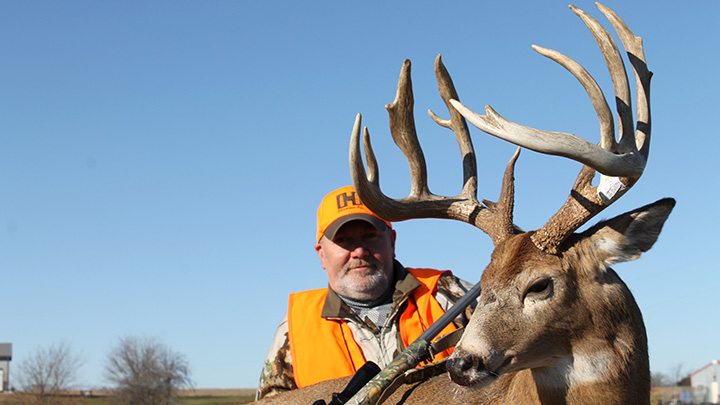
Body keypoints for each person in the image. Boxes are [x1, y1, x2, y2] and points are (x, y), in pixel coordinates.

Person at [256, 185, 476, 399]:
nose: (359, 251)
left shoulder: (449, 295)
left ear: (391, 241)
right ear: (321, 254)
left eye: (370, 235)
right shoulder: (295, 329)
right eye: (343, 241)